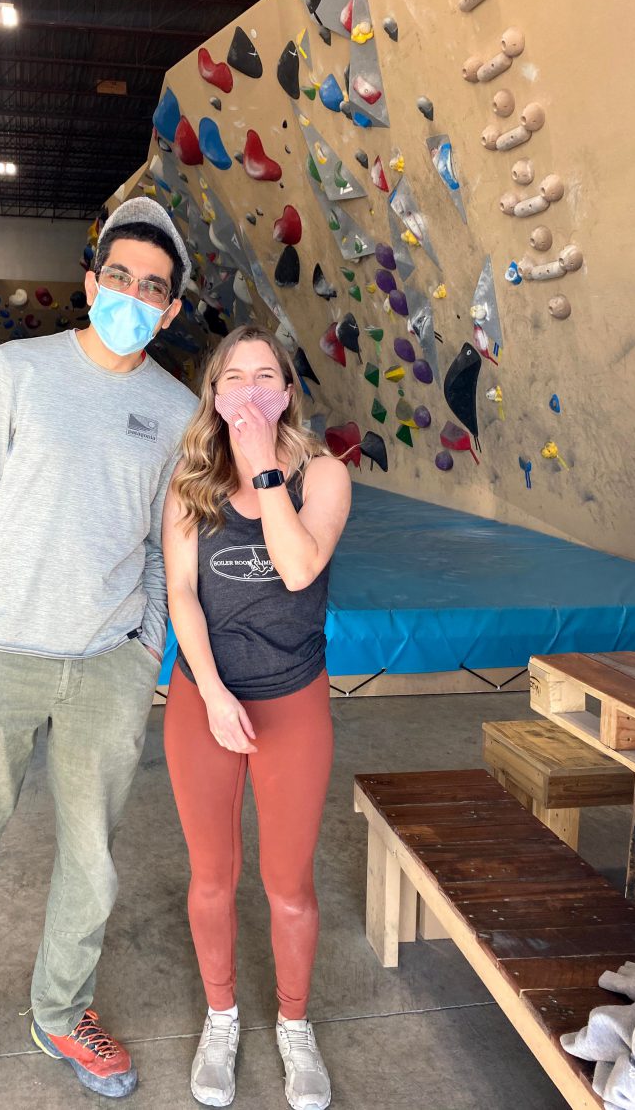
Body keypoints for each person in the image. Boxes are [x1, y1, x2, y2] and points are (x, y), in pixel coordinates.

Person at [0, 198, 199, 1110]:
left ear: (172, 309)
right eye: (120, 278)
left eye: (153, 288)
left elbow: (158, 545)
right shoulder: (17, 370)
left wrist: (146, 648)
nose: (133, 297)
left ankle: (61, 1013)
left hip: (107, 665)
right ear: (90, 281)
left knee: (92, 859)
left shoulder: (176, 409)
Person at [162, 325, 351, 1110]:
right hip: (205, 696)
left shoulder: (322, 477)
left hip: (293, 697)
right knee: (212, 877)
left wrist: (265, 464)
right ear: (213, 392)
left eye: (263, 376)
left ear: (285, 391)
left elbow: (300, 567)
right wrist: (208, 690)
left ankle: (295, 1026)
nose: (246, 390)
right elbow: (180, 592)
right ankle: (221, 1016)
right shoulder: (189, 481)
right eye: (231, 377)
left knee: (288, 884)